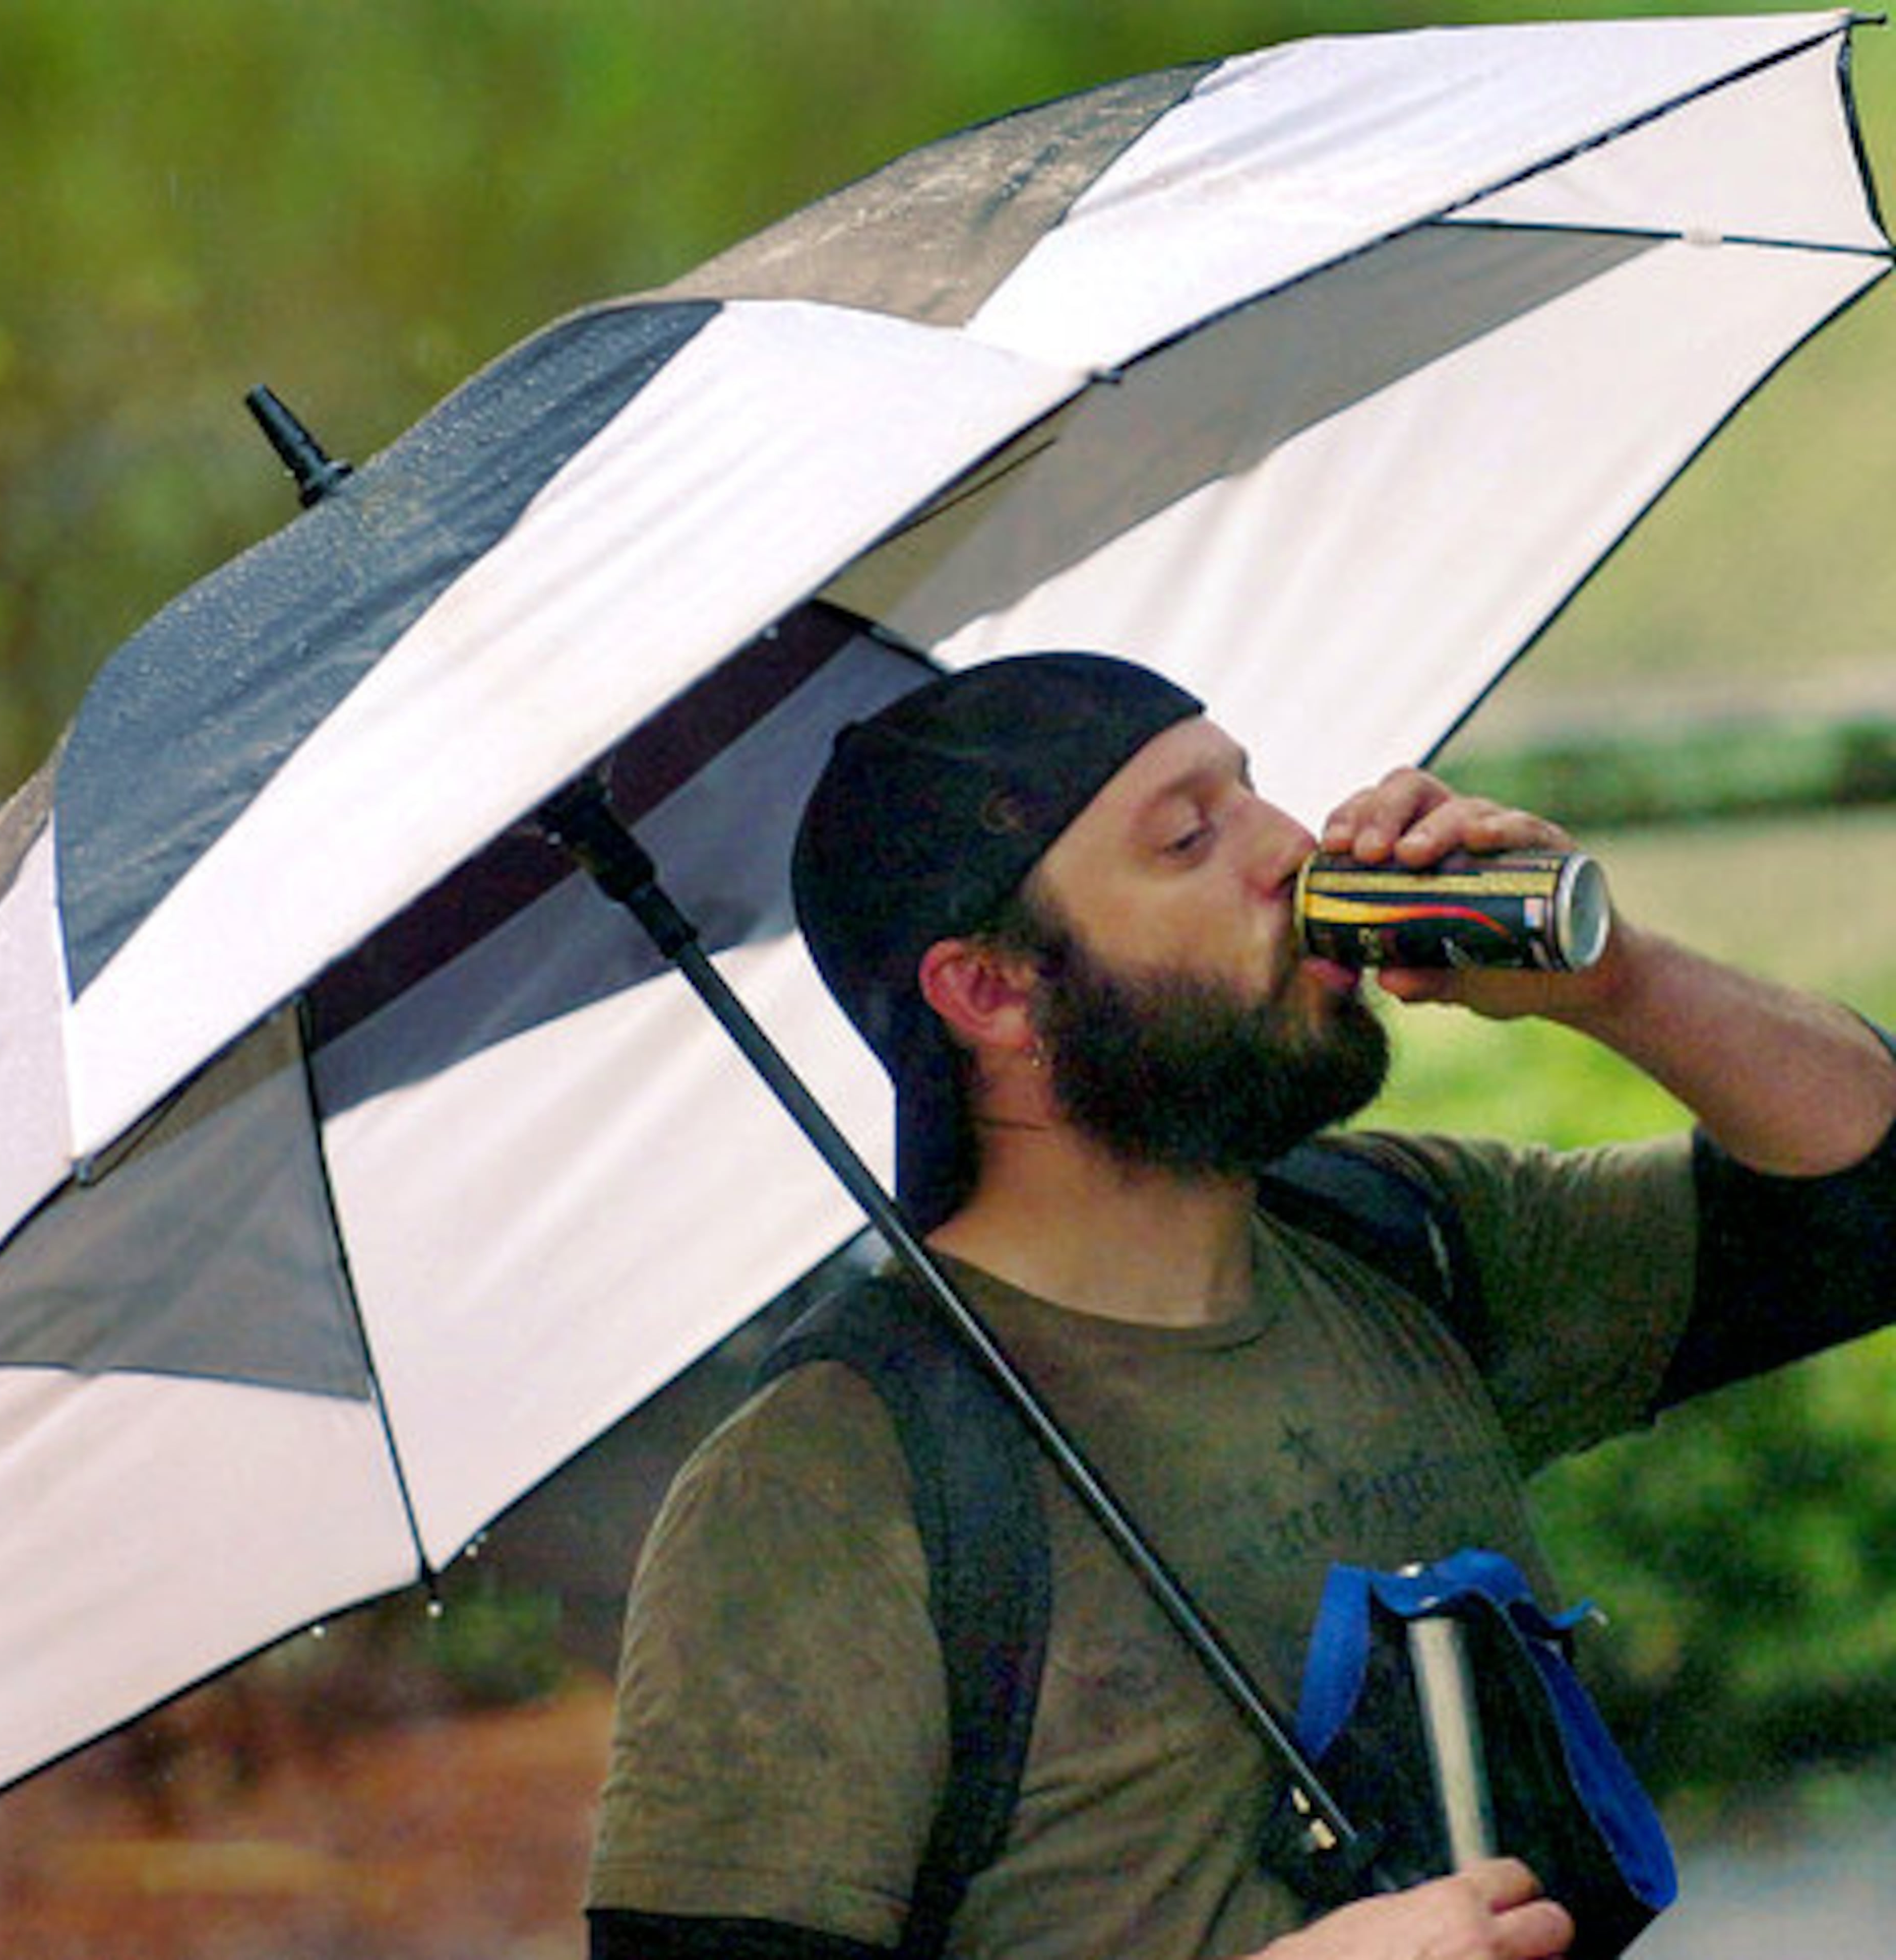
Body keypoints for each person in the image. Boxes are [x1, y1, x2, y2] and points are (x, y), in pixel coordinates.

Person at [585, 652, 1896, 1960]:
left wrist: (1617, 981)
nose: (1288, 850)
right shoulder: (826, 1479)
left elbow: (1867, 1202)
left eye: (1255, 795)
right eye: (1188, 838)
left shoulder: (1398, 1241)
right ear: (992, 992)